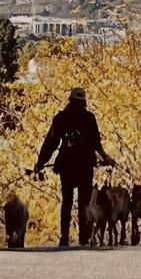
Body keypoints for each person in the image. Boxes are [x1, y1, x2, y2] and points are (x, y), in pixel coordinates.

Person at [34, 87, 115, 247]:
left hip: (67, 165)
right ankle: (83, 237)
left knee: (67, 202)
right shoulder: (89, 118)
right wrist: (106, 158)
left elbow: (51, 142)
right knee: (84, 202)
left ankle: (64, 237)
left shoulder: (61, 118)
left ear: (69, 100)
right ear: (84, 102)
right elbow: (96, 144)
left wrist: (40, 163)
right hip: (84, 166)